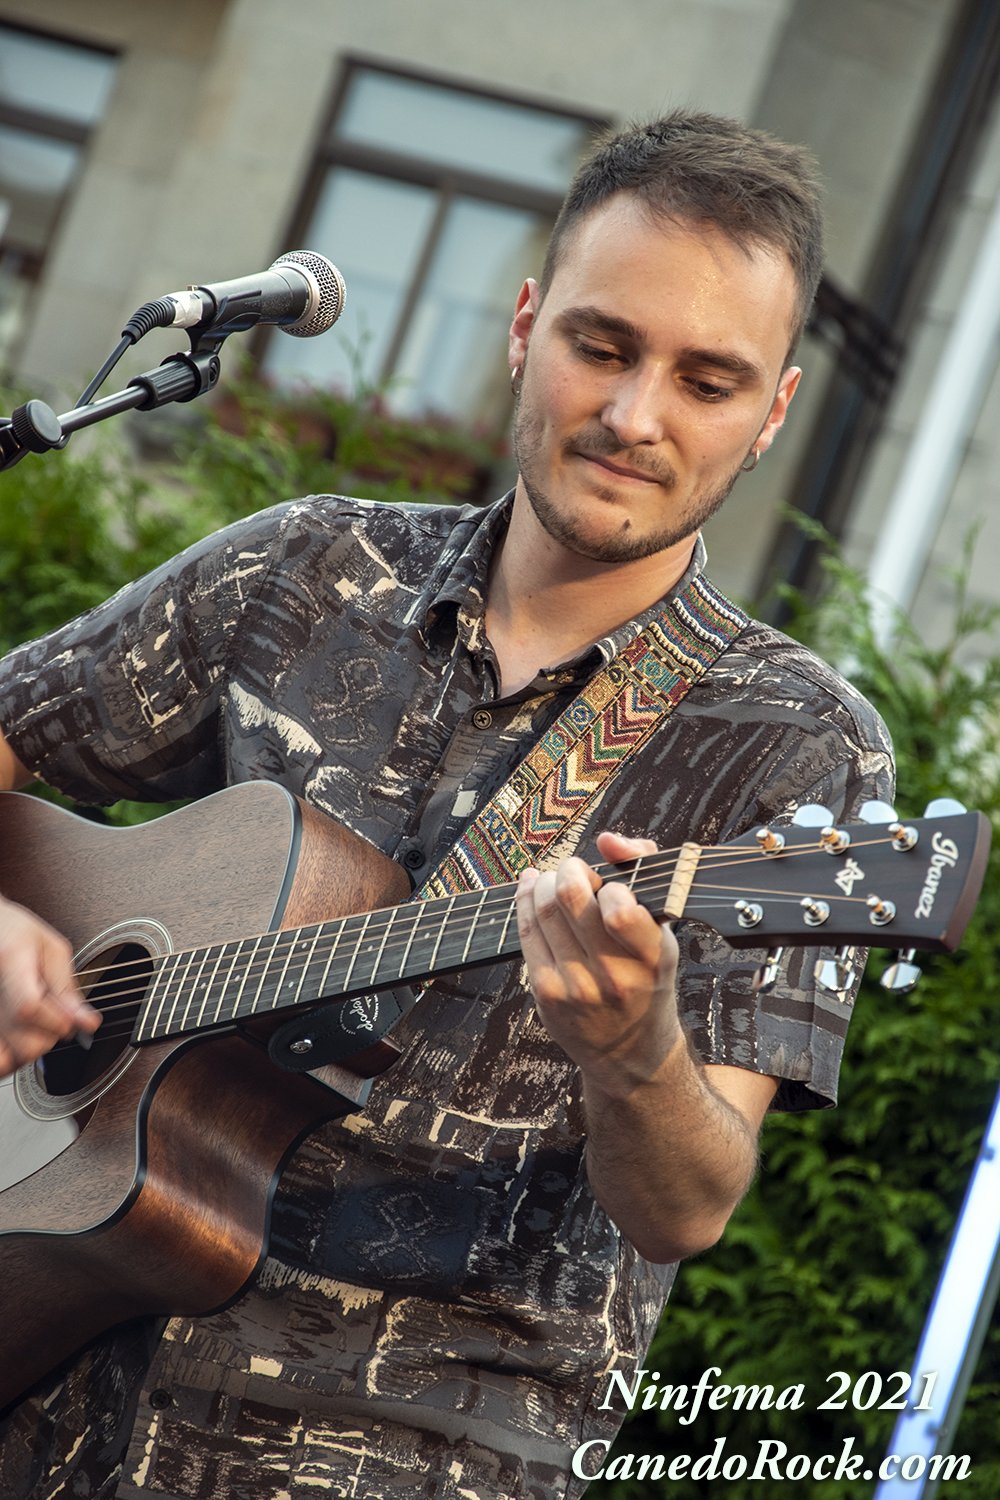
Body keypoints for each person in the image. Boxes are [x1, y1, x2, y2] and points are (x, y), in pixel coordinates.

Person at [0, 109, 892, 1498]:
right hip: (52, 1387)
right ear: (529, 323)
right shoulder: (302, 568)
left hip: (423, 1450)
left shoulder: (795, 752)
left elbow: (686, 1204)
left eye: (709, 381)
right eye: (603, 346)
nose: (634, 415)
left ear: (773, 413)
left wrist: (633, 1045)